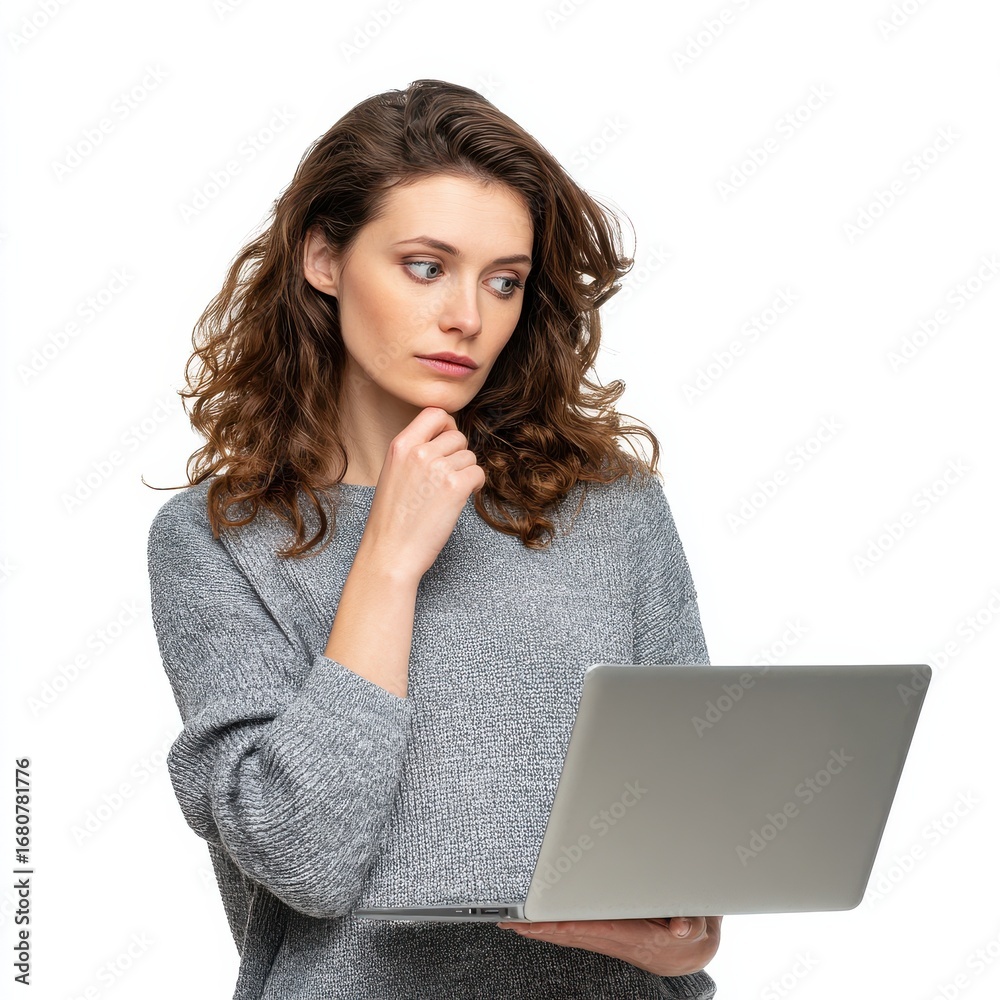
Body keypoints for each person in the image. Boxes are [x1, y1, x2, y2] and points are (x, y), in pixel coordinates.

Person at [146, 78, 721, 999]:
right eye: (425, 266)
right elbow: (302, 857)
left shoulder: (611, 509)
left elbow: (695, 832)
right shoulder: (218, 540)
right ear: (324, 259)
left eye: (505, 280)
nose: (469, 317)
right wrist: (389, 558)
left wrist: (686, 941)